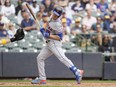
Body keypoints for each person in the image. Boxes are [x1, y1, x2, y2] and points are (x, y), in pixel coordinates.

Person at [31, 6, 84, 84]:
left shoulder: (57, 24)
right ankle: (42, 78)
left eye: (56, 15)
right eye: (54, 13)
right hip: (48, 43)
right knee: (40, 58)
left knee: (62, 57)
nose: (54, 16)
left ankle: (77, 71)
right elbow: (47, 23)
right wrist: (43, 28)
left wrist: (48, 35)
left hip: (55, 43)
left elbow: (60, 37)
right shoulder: (51, 17)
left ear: (59, 15)